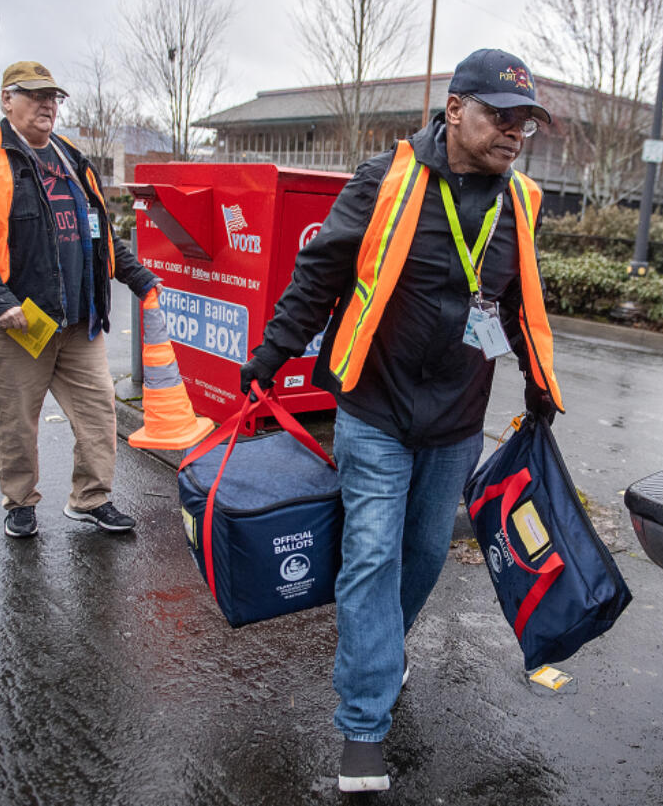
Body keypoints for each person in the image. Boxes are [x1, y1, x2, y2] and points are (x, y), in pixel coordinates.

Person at [239, 48, 564, 792]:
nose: (515, 133)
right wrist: (271, 355)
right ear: (454, 110)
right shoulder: (384, 181)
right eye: (500, 116)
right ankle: (362, 722)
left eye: (526, 123)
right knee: (372, 554)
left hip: (456, 418)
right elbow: (319, 273)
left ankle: (380, 648)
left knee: (422, 555)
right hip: (376, 407)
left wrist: (540, 385)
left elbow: (519, 305)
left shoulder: (521, 202)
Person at [0, 61, 159, 539]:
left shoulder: (71, 159)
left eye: (54, 97)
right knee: (17, 421)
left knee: (99, 411)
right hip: (21, 323)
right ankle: (20, 502)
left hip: (78, 322)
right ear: (7, 99)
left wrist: (140, 277)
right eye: (35, 94)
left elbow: (101, 234)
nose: (47, 104)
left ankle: (91, 498)